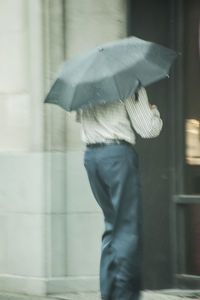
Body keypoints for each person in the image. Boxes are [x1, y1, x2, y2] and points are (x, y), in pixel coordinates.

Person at [75, 86, 163, 300]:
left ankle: (110, 293)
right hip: (117, 156)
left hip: (92, 157)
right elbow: (148, 129)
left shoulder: (83, 85)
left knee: (112, 227)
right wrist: (154, 112)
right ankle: (125, 295)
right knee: (127, 230)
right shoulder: (130, 83)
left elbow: (79, 117)